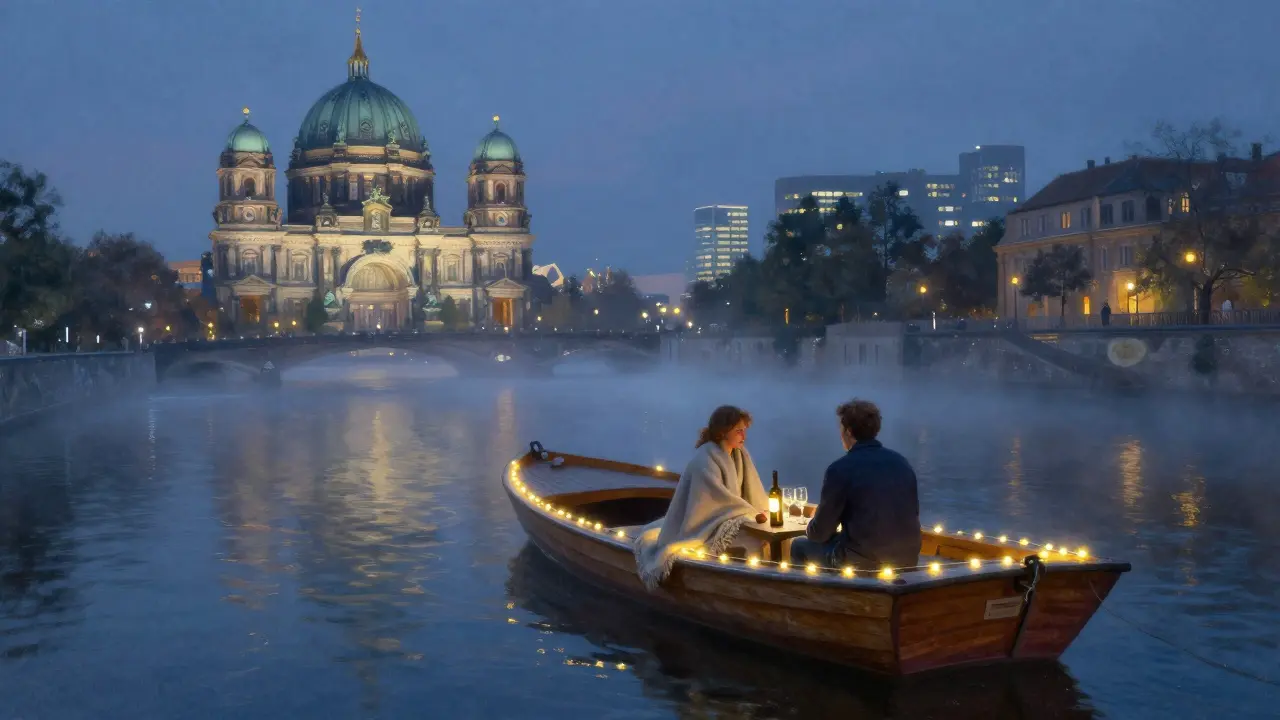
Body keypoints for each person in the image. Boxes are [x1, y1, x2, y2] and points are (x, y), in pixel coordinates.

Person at [634, 405, 770, 590]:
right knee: (754, 539)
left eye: (744, 431)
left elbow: (751, 490)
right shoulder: (704, 460)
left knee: (763, 532)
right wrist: (748, 513)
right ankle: (753, 586)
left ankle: (760, 579)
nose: (744, 437)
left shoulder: (740, 455)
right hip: (706, 523)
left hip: (730, 516)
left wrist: (756, 511)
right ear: (723, 431)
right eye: (738, 431)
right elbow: (714, 501)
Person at [790, 400, 920, 571]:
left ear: (848, 432)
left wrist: (810, 526)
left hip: (863, 562)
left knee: (799, 546)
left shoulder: (840, 469)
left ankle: (819, 596)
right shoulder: (902, 463)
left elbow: (820, 533)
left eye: (841, 429)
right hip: (908, 558)